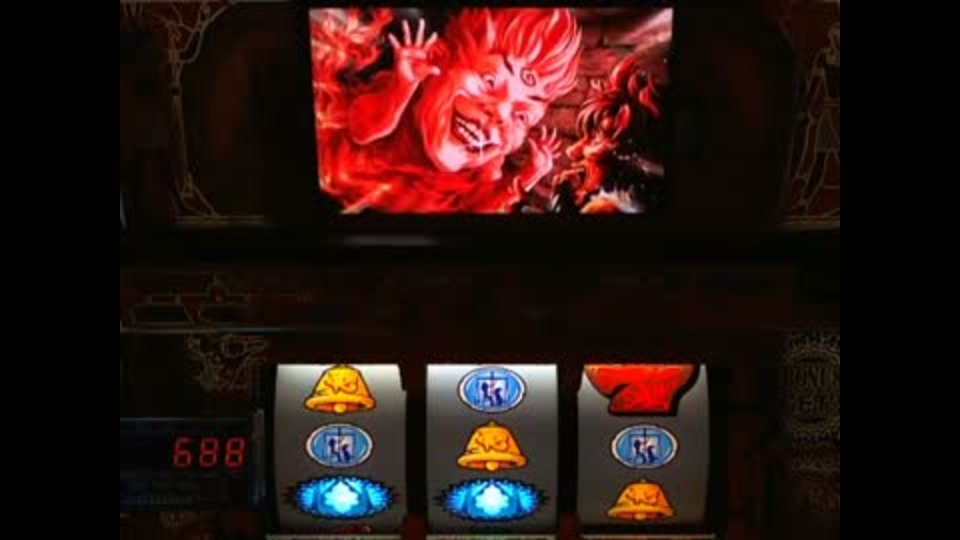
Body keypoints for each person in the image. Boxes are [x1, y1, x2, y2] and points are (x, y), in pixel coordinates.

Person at [312, 8, 582, 212]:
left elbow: (484, 208)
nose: (500, 115)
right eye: (490, 81)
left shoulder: (487, 165)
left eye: (521, 115)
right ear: (438, 58)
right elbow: (361, 130)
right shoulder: (402, 91)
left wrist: (530, 174)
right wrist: (402, 86)